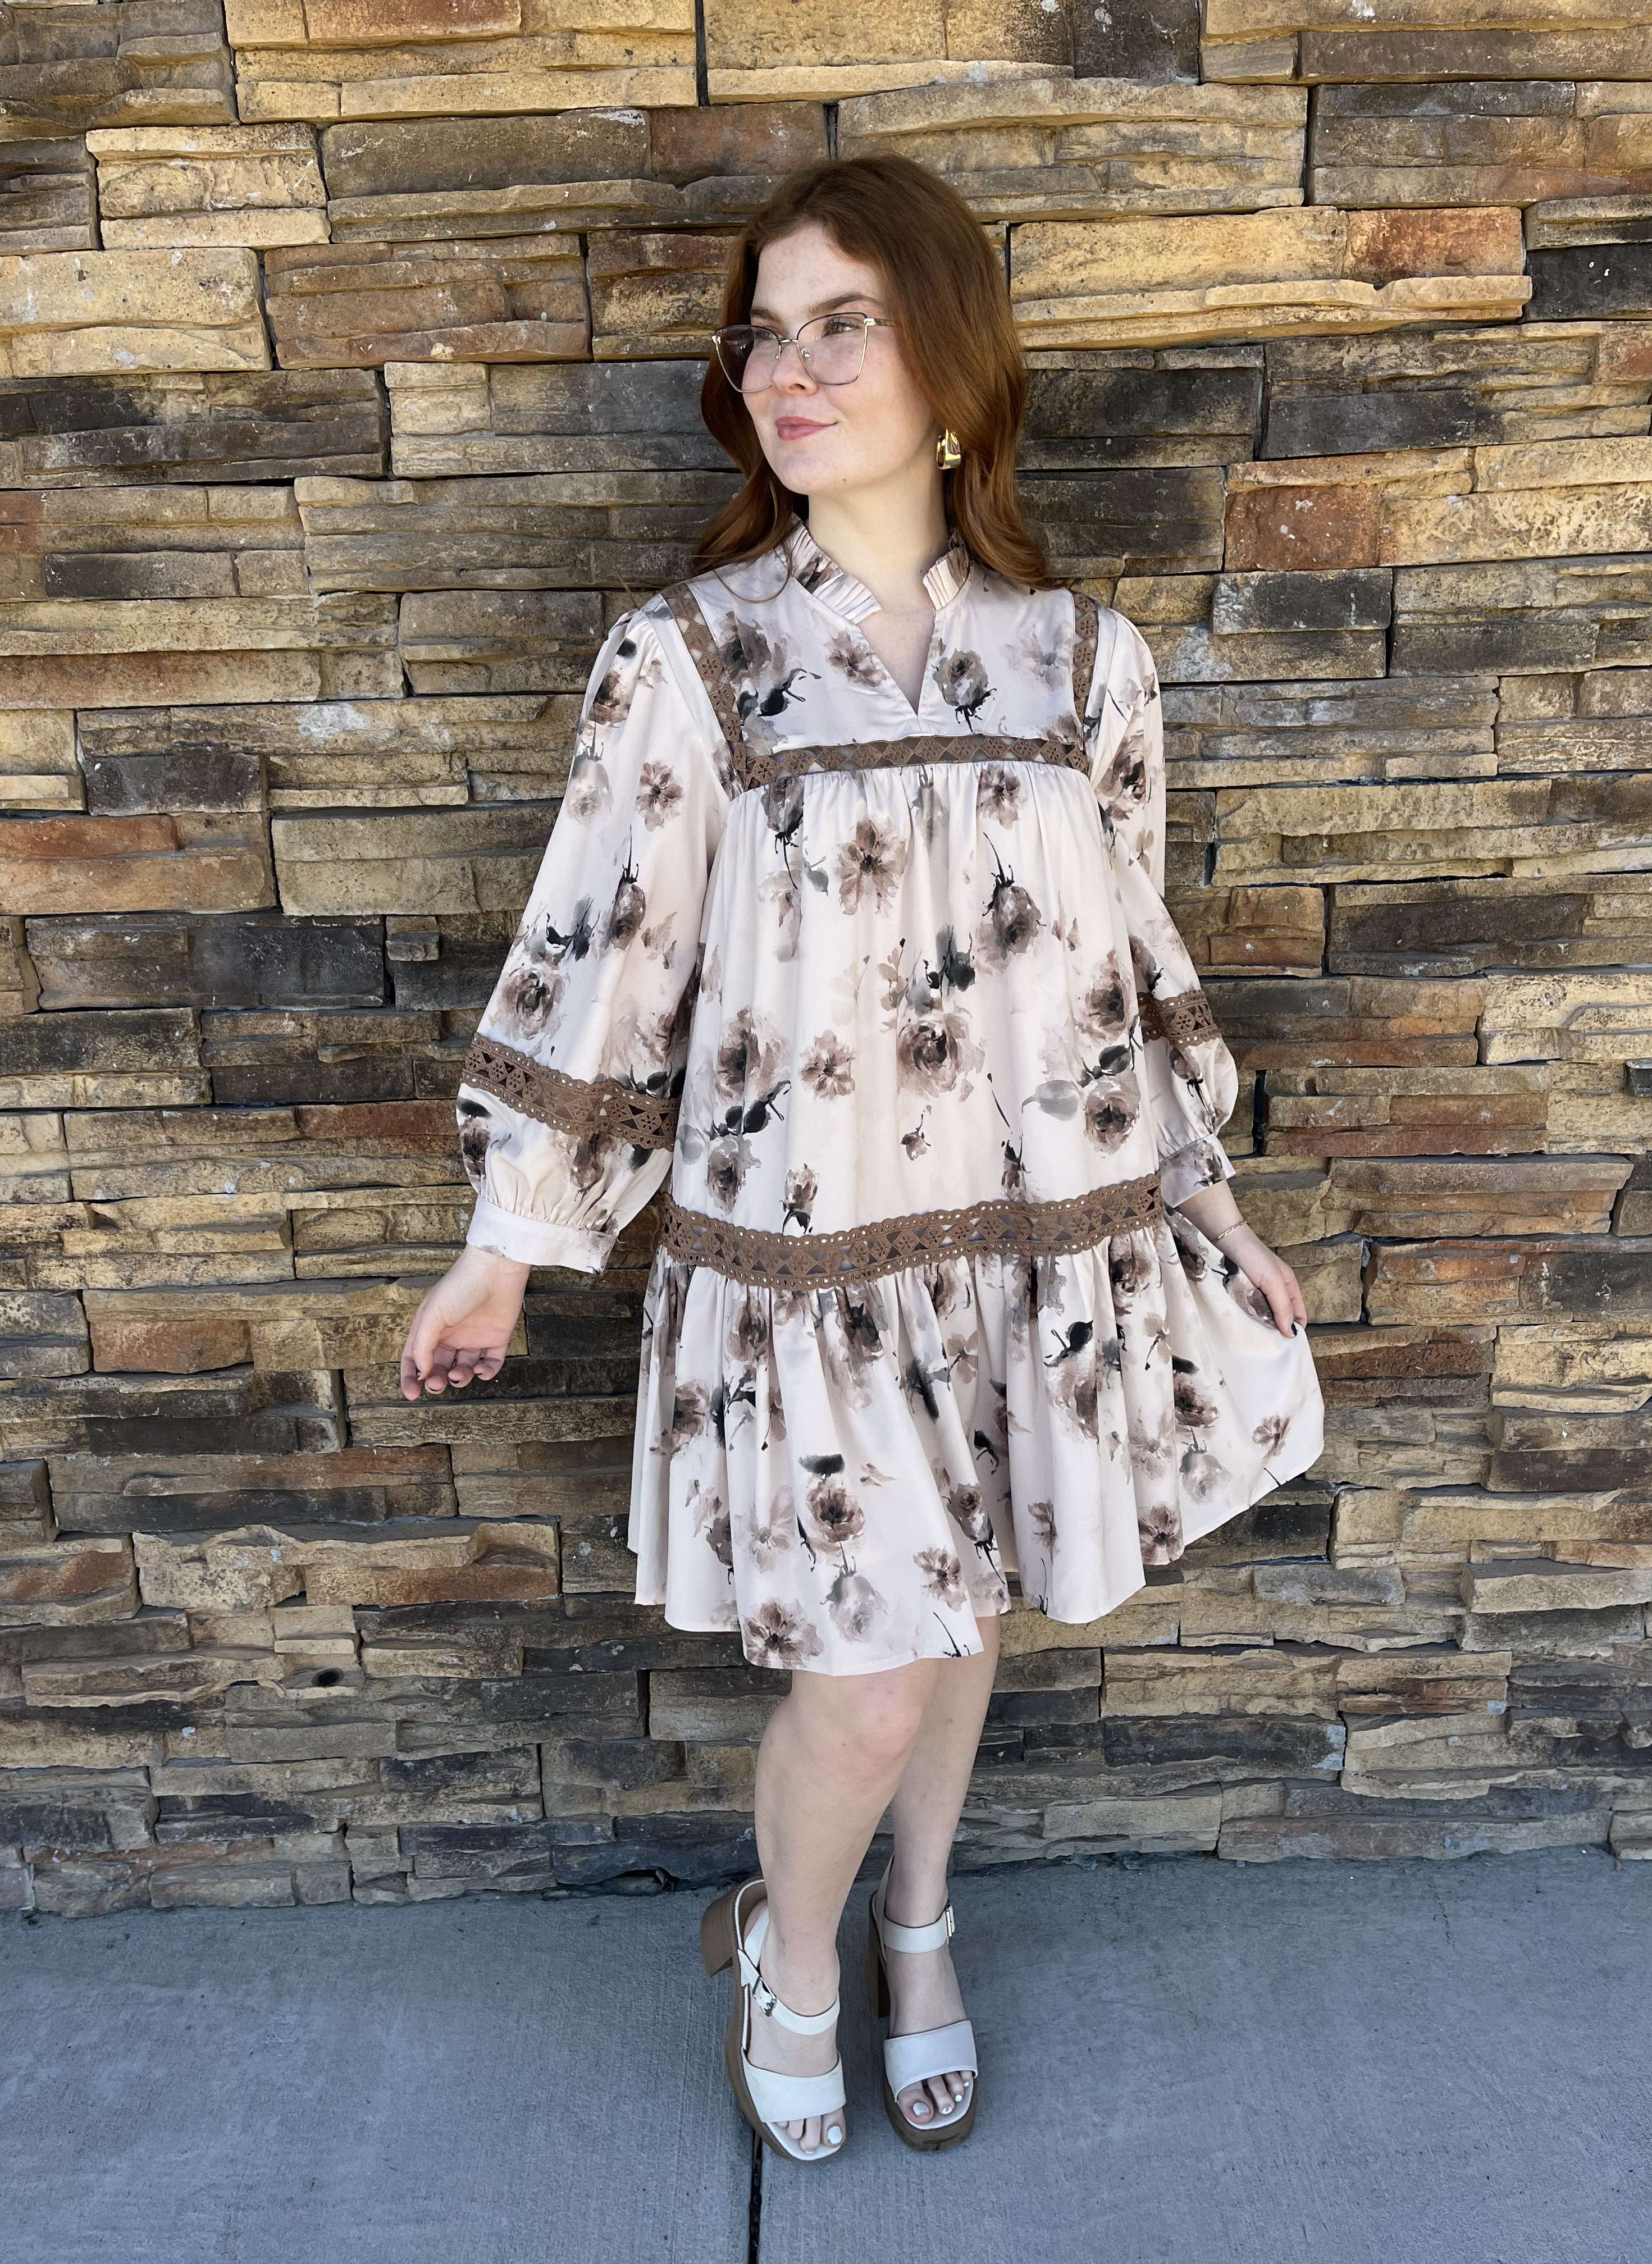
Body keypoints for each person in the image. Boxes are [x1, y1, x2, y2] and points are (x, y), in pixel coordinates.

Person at [399, 153, 1327, 2166]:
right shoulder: (692, 658)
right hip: (806, 1271)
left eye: (844, 324)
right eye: (763, 335)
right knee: (875, 1679)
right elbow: (601, 956)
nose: (787, 371)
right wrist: (506, 1241)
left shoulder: (1086, 662)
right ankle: (790, 1963)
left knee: (963, 1617)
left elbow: (1127, 958)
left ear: (954, 365)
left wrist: (1208, 1204)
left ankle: (921, 1928)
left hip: (1029, 1249)